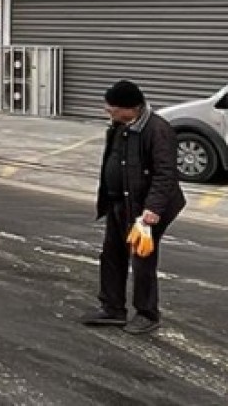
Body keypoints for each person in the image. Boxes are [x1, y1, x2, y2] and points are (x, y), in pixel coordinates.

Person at [81, 80, 186, 334]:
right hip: (120, 203)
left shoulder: (158, 130)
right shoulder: (120, 125)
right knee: (112, 254)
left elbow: (165, 174)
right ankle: (113, 308)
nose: (108, 111)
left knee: (142, 261)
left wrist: (152, 210)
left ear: (131, 108)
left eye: (113, 108)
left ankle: (147, 314)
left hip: (145, 209)